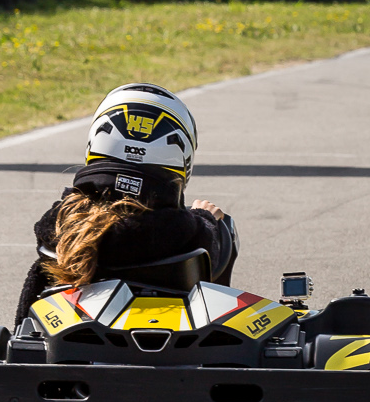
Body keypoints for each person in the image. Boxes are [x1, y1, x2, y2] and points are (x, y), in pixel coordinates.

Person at [13, 82, 238, 327]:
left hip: (71, 336)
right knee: (225, 227)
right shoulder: (184, 230)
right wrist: (205, 218)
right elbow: (203, 249)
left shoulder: (61, 219)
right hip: (169, 346)